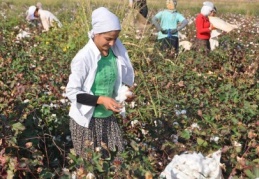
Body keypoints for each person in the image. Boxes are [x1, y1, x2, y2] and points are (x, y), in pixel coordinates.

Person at [66, 7, 135, 160]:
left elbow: (114, 83)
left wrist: (124, 95)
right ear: (96, 33)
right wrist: (101, 100)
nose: (112, 43)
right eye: (108, 38)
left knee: (118, 161)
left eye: (115, 38)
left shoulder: (114, 54)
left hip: (107, 118)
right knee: (91, 165)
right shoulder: (83, 58)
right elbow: (71, 92)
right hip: (86, 122)